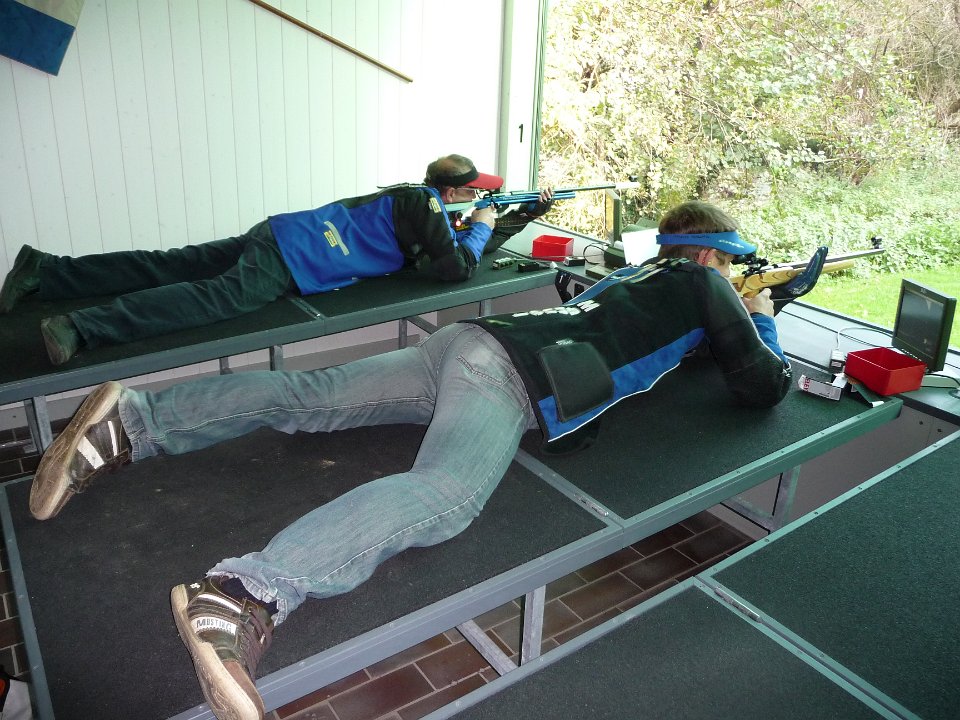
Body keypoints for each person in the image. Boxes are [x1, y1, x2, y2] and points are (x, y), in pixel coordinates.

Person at [29, 199, 791, 720]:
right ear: (715, 256)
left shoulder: (639, 277)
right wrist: (762, 314)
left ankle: (133, 421)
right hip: (508, 379)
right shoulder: (706, 283)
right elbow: (762, 384)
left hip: (465, 346)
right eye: (737, 269)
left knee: (310, 396)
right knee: (446, 494)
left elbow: (676, 351)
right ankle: (243, 594)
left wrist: (745, 309)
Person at [0, 154, 554, 366]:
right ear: (453, 193)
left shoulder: (418, 202)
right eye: (476, 194)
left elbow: (452, 254)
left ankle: (46, 272)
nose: (480, 200)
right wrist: (484, 225)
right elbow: (456, 267)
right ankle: (81, 327)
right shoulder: (427, 205)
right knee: (210, 300)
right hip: (291, 257)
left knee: (169, 264)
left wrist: (520, 216)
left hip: (282, 235)